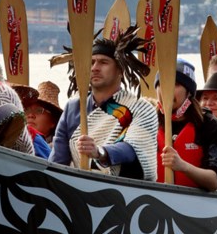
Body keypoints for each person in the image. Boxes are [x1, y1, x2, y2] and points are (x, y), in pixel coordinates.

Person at [49, 26, 159, 180]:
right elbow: (58, 161)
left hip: (126, 192)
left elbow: (134, 149)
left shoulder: (142, 108)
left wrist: (100, 152)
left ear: (120, 69)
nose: (95, 68)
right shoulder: (72, 108)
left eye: (103, 62)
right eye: (92, 62)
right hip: (78, 190)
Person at [154, 58, 217, 191]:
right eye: (162, 83)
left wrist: (182, 166)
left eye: (175, 84)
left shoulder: (210, 125)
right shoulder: (148, 120)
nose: (166, 90)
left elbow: (214, 181)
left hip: (195, 206)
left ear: (188, 92)